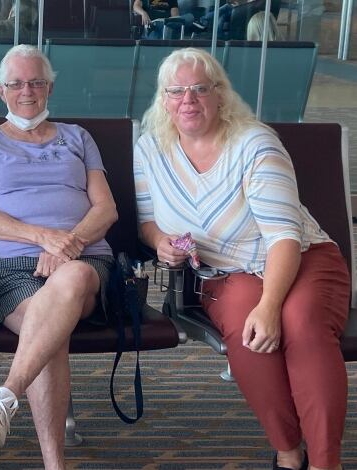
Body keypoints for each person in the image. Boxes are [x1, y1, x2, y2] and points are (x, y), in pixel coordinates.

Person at [134, 47, 349, 470]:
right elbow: (146, 220)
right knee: (247, 332)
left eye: (199, 88)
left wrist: (270, 306)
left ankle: (327, 462)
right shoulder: (151, 147)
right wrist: (160, 241)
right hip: (225, 273)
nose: (187, 100)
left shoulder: (254, 143)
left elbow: (285, 237)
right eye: (176, 90)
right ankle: (289, 453)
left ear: (220, 94)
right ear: (163, 99)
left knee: (299, 323)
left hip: (301, 258)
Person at [0, 44, 117, 469]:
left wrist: (68, 244)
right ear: (1, 91)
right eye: (16, 83)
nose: (26, 91)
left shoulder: (77, 137)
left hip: (84, 260)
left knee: (67, 284)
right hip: (8, 267)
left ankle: (5, 397)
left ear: (49, 87)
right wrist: (44, 238)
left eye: (36, 82)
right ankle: (55, 464)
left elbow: (106, 209)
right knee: (50, 328)